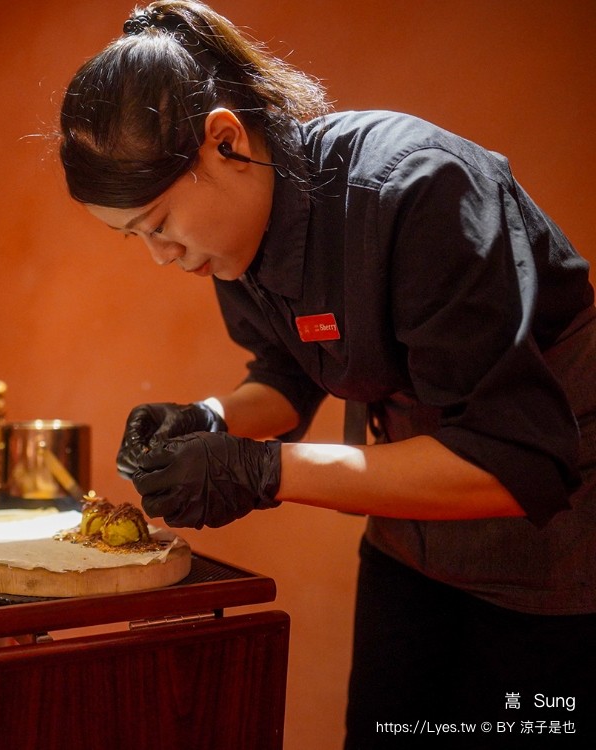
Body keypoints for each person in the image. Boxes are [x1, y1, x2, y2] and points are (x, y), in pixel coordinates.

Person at [57, 2, 595, 747]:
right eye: (133, 239)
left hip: (555, 538)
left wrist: (262, 471)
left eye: (158, 223)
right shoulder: (238, 232)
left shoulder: (414, 190)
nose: (162, 256)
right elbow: (289, 373)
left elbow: (511, 460)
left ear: (225, 140)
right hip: (412, 539)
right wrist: (212, 421)